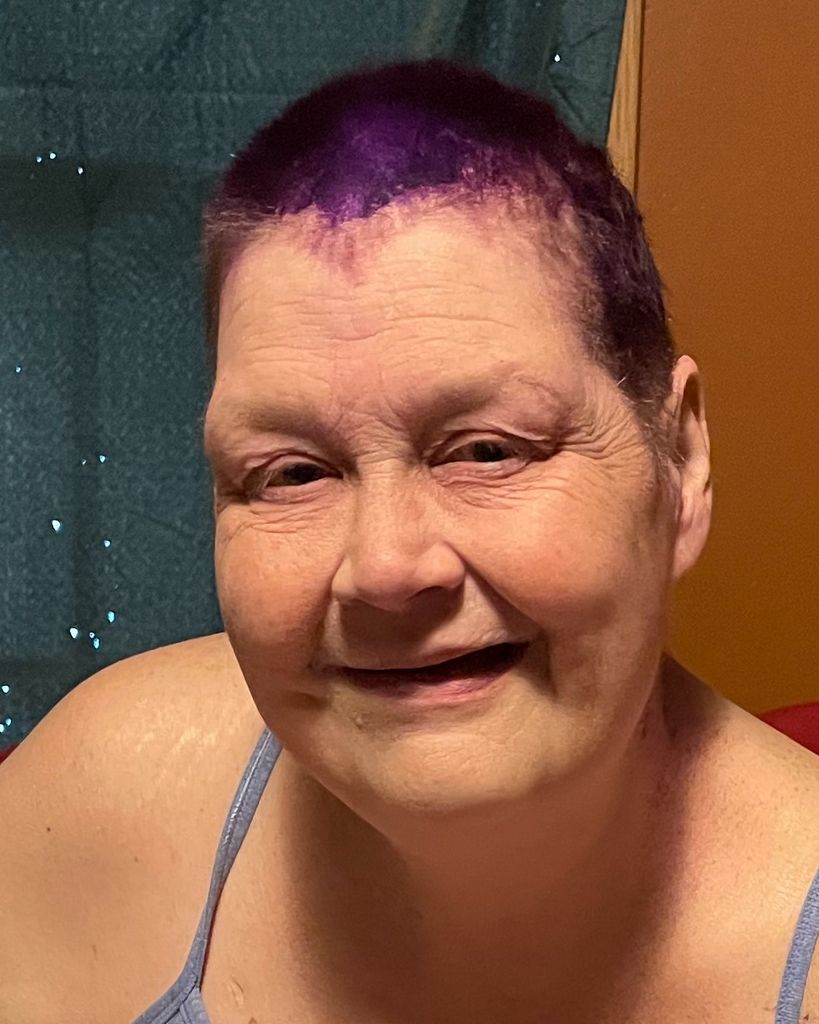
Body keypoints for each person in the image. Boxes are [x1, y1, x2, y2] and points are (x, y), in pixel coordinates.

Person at [1, 59, 817, 1024]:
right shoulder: (99, 797)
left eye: (486, 450)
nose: (386, 568)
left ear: (676, 460)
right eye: (293, 473)